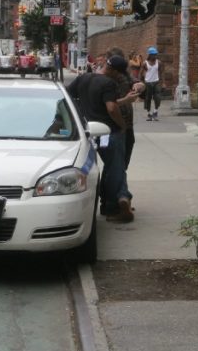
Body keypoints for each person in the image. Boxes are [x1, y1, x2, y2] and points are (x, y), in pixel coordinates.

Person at [67, 55, 140, 223]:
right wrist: (122, 125)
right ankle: (115, 204)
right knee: (116, 168)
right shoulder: (108, 83)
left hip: (89, 132)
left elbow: (68, 97)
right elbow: (111, 107)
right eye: (119, 73)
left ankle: (115, 201)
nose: (120, 76)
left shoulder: (83, 78)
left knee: (105, 169)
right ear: (113, 70)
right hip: (109, 132)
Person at [108, 46, 146, 170]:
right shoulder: (103, 80)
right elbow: (109, 106)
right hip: (111, 124)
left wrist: (139, 86)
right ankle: (116, 187)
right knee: (114, 163)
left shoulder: (124, 75)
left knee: (123, 162)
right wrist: (126, 100)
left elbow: (137, 82)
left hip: (127, 123)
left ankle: (119, 183)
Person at [143, 46, 163, 121]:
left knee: (158, 98)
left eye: (155, 54)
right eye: (153, 54)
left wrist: (163, 83)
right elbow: (142, 73)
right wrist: (140, 83)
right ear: (149, 55)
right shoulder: (145, 63)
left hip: (156, 82)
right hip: (148, 83)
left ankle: (155, 111)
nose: (155, 56)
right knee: (148, 98)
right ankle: (149, 113)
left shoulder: (159, 62)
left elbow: (161, 73)